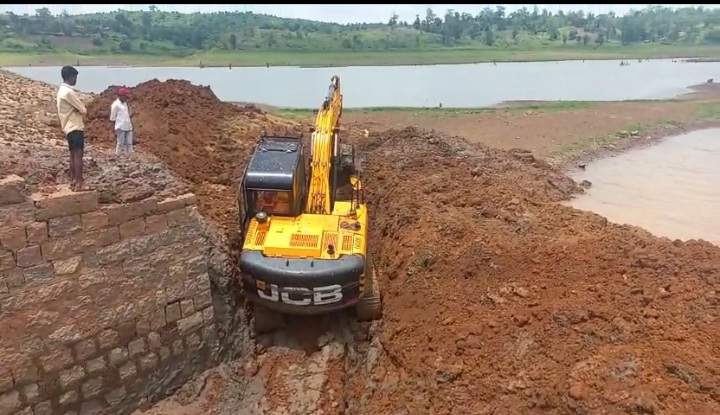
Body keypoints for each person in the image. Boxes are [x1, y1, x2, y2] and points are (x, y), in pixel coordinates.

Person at [56, 65, 87, 191]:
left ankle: (73, 181)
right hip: (75, 126)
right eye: (75, 77)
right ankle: (79, 182)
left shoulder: (61, 91)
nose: (76, 80)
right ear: (71, 77)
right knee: (78, 154)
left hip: (68, 127)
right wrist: (79, 109)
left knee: (73, 154)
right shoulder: (69, 92)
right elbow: (83, 110)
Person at [110, 87, 134, 156]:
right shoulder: (115, 105)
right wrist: (113, 129)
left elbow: (125, 114)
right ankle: (118, 155)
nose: (127, 98)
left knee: (129, 143)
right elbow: (112, 118)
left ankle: (129, 155)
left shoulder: (125, 103)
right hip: (120, 127)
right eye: (125, 96)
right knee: (120, 143)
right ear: (121, 96)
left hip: (128, 126)